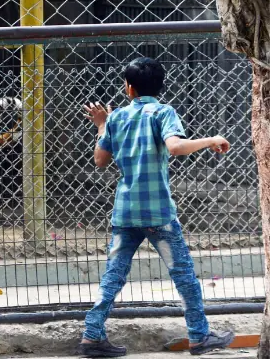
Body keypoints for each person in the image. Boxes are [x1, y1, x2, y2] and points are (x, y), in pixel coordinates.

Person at [78, 57, 236, 358]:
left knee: (114, 274)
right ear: (160, 86)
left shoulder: (117, 118)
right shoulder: (164, 112)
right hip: (158, 212)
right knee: (183, 274)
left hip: (125, 211)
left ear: (129, 88)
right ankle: (200, 336)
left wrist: (101, 125)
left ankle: (92, 335)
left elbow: (100, 160)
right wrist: (211, 139)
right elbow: (175, 147)